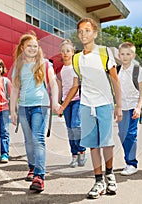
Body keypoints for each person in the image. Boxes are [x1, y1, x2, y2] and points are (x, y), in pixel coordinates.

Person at [57, 18, 122, 199]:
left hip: (104, 104)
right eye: (80, 31)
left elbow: (115, 81)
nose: (83, 34)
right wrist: (63, 105)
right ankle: (98, 180)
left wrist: (119, 106)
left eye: (87, 30)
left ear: (94, 33)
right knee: (93, 145)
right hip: (86, 105)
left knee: (107, 143)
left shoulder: (104, 52)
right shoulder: (77, 58)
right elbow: (76, 85)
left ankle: (110, 175)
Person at [10, 32, 60, 192]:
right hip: (24, 107)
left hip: (41, 105)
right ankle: (32, 167)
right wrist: (13, 110)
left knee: (38, 139)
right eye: (29, 46)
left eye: (35, 46)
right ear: (22, 48)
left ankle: (39, 176)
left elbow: (53, 84)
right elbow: (14, 90)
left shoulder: (45, 64)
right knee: (28, 141)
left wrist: (55, 102)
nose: (32, 48)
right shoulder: (18, 66)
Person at [56, 39, 87, 168]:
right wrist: (59, 105)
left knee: (75, 125)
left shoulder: (76, 67)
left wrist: (63, 105)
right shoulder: (60, 69)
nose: (65, 53)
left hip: (77, 100)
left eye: (68, 51)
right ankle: (74, 155)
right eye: (63, 51)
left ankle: (81, 151)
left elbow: (75, 87)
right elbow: (59, 87)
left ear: (73, 52)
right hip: (65, 102)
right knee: (69, 129)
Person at [117, 42, 142, 176]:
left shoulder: (137, 69)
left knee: (131, 135)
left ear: (133, 55)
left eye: (128, 54)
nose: (125, 57)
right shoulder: (117, 70)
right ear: (119, 55)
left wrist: (139, 107)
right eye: (122, 54)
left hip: (133, 106)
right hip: (122, 107)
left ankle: (131, 163)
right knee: (122, 135)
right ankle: (127, 160)